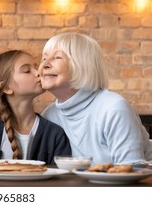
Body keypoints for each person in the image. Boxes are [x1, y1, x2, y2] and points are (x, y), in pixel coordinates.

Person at [39, 32, 152, 164]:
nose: (45, 64)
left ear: (81, 64)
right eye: (44, 58)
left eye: (57, 57)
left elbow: (132, 171)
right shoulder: (49, 114)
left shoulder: (114, 108)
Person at [0, 50, 71, 164]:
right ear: (6, 87)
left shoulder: (55, 134)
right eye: (27, 71)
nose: (39, 73)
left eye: (36, 67)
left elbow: (61, 179)